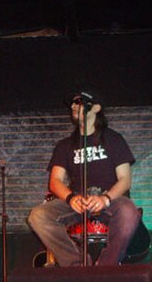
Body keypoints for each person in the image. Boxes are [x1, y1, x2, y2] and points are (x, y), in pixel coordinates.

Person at [27, 90, 141, 267]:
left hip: (109, 198)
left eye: (79, 102)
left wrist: (106, 198)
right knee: (37, 216)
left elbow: (125, 179)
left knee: (128, 211)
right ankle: (77, 264)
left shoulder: (114, 139)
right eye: (72, 103)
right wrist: (71, 198)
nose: (73, 105)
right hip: (78, 198)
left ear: (96, 108)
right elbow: (55, 181)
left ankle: (106, 266)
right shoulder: (65, 145)